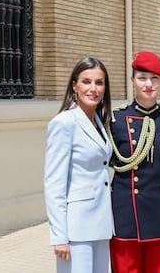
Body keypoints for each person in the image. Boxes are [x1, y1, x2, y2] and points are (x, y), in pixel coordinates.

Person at [107, 51, 160, 273]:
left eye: (154, 78)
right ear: (132, 81)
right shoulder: (114, 118)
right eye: (142, 78)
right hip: (125, 212)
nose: (148, 84)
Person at [44, 57, 114, 273]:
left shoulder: (100, 122)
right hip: (76, 229)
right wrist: (59, 236)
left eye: (99, 83)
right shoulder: (64, 123)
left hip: (101, 224)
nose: (93, 89)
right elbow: (54, 183)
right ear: (74, 85)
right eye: (86, 81)